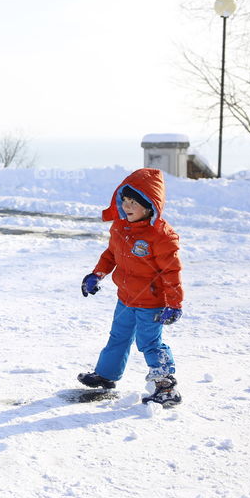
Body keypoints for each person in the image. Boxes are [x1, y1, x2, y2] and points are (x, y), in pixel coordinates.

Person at [77, 168, 184, 407]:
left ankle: (166, 386)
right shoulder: (120, 227)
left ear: (150, 206)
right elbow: (111, 255)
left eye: (133, 201)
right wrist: (97, 274)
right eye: (124, 200)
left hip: (151, 303)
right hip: (125, 298)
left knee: (150, 343)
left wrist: (174, 303)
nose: (127, 206)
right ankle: (107, 375)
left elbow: (171, 272)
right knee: (118, 337)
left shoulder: (161, 236)